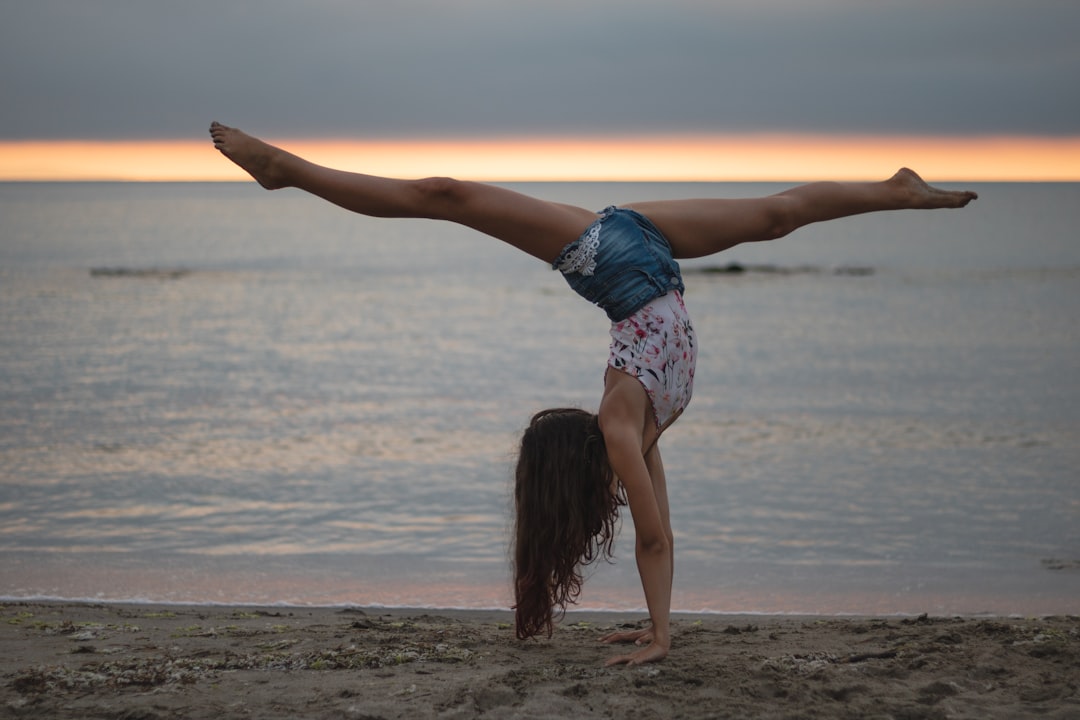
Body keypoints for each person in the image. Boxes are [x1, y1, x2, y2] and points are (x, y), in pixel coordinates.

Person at [209, 121, 977, 666]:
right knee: (773, 218)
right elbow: (658, 535)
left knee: (447, 194)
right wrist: (659, 632)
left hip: (613, 259)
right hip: (638, 259)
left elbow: (655, 536)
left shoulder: (628, 428)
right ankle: (894, 192)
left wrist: (660, 630)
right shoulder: (629, 434)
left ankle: (289, 171)